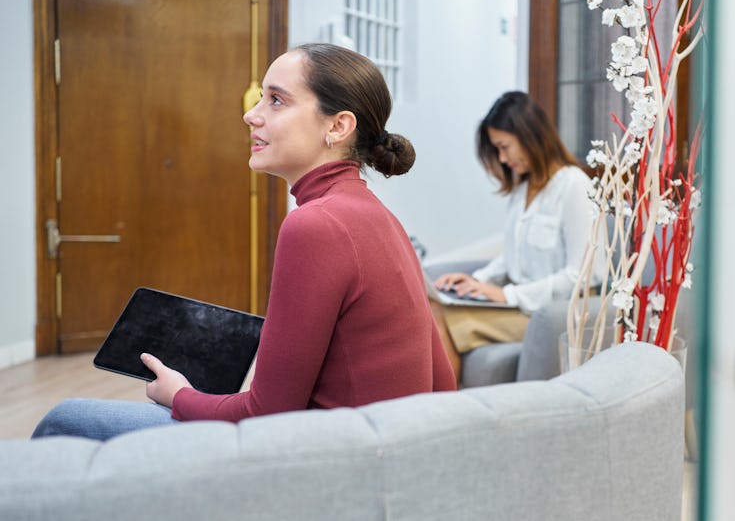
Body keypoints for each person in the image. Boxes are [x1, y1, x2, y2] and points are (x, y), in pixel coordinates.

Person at [33, 43, 456, 441]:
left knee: (64, 421)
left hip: (320, 460)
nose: (251, 115)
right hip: (379, 455)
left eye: (276, 100)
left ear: (338, 126)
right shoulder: (382, 218)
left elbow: (266, 417)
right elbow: (442, 381)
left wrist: (178, 395)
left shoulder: (315, 225)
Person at [431, 91, 606, 382]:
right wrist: (479, 281)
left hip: (547, 316)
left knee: (438, 319)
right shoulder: (523, 190)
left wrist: (507, 294)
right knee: (432, 306)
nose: (502, 158)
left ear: (530, 136)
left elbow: (585, 275)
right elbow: (513, 255)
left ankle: (444, 417)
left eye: (504, 147)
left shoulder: (574, 187)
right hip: (520, 304)